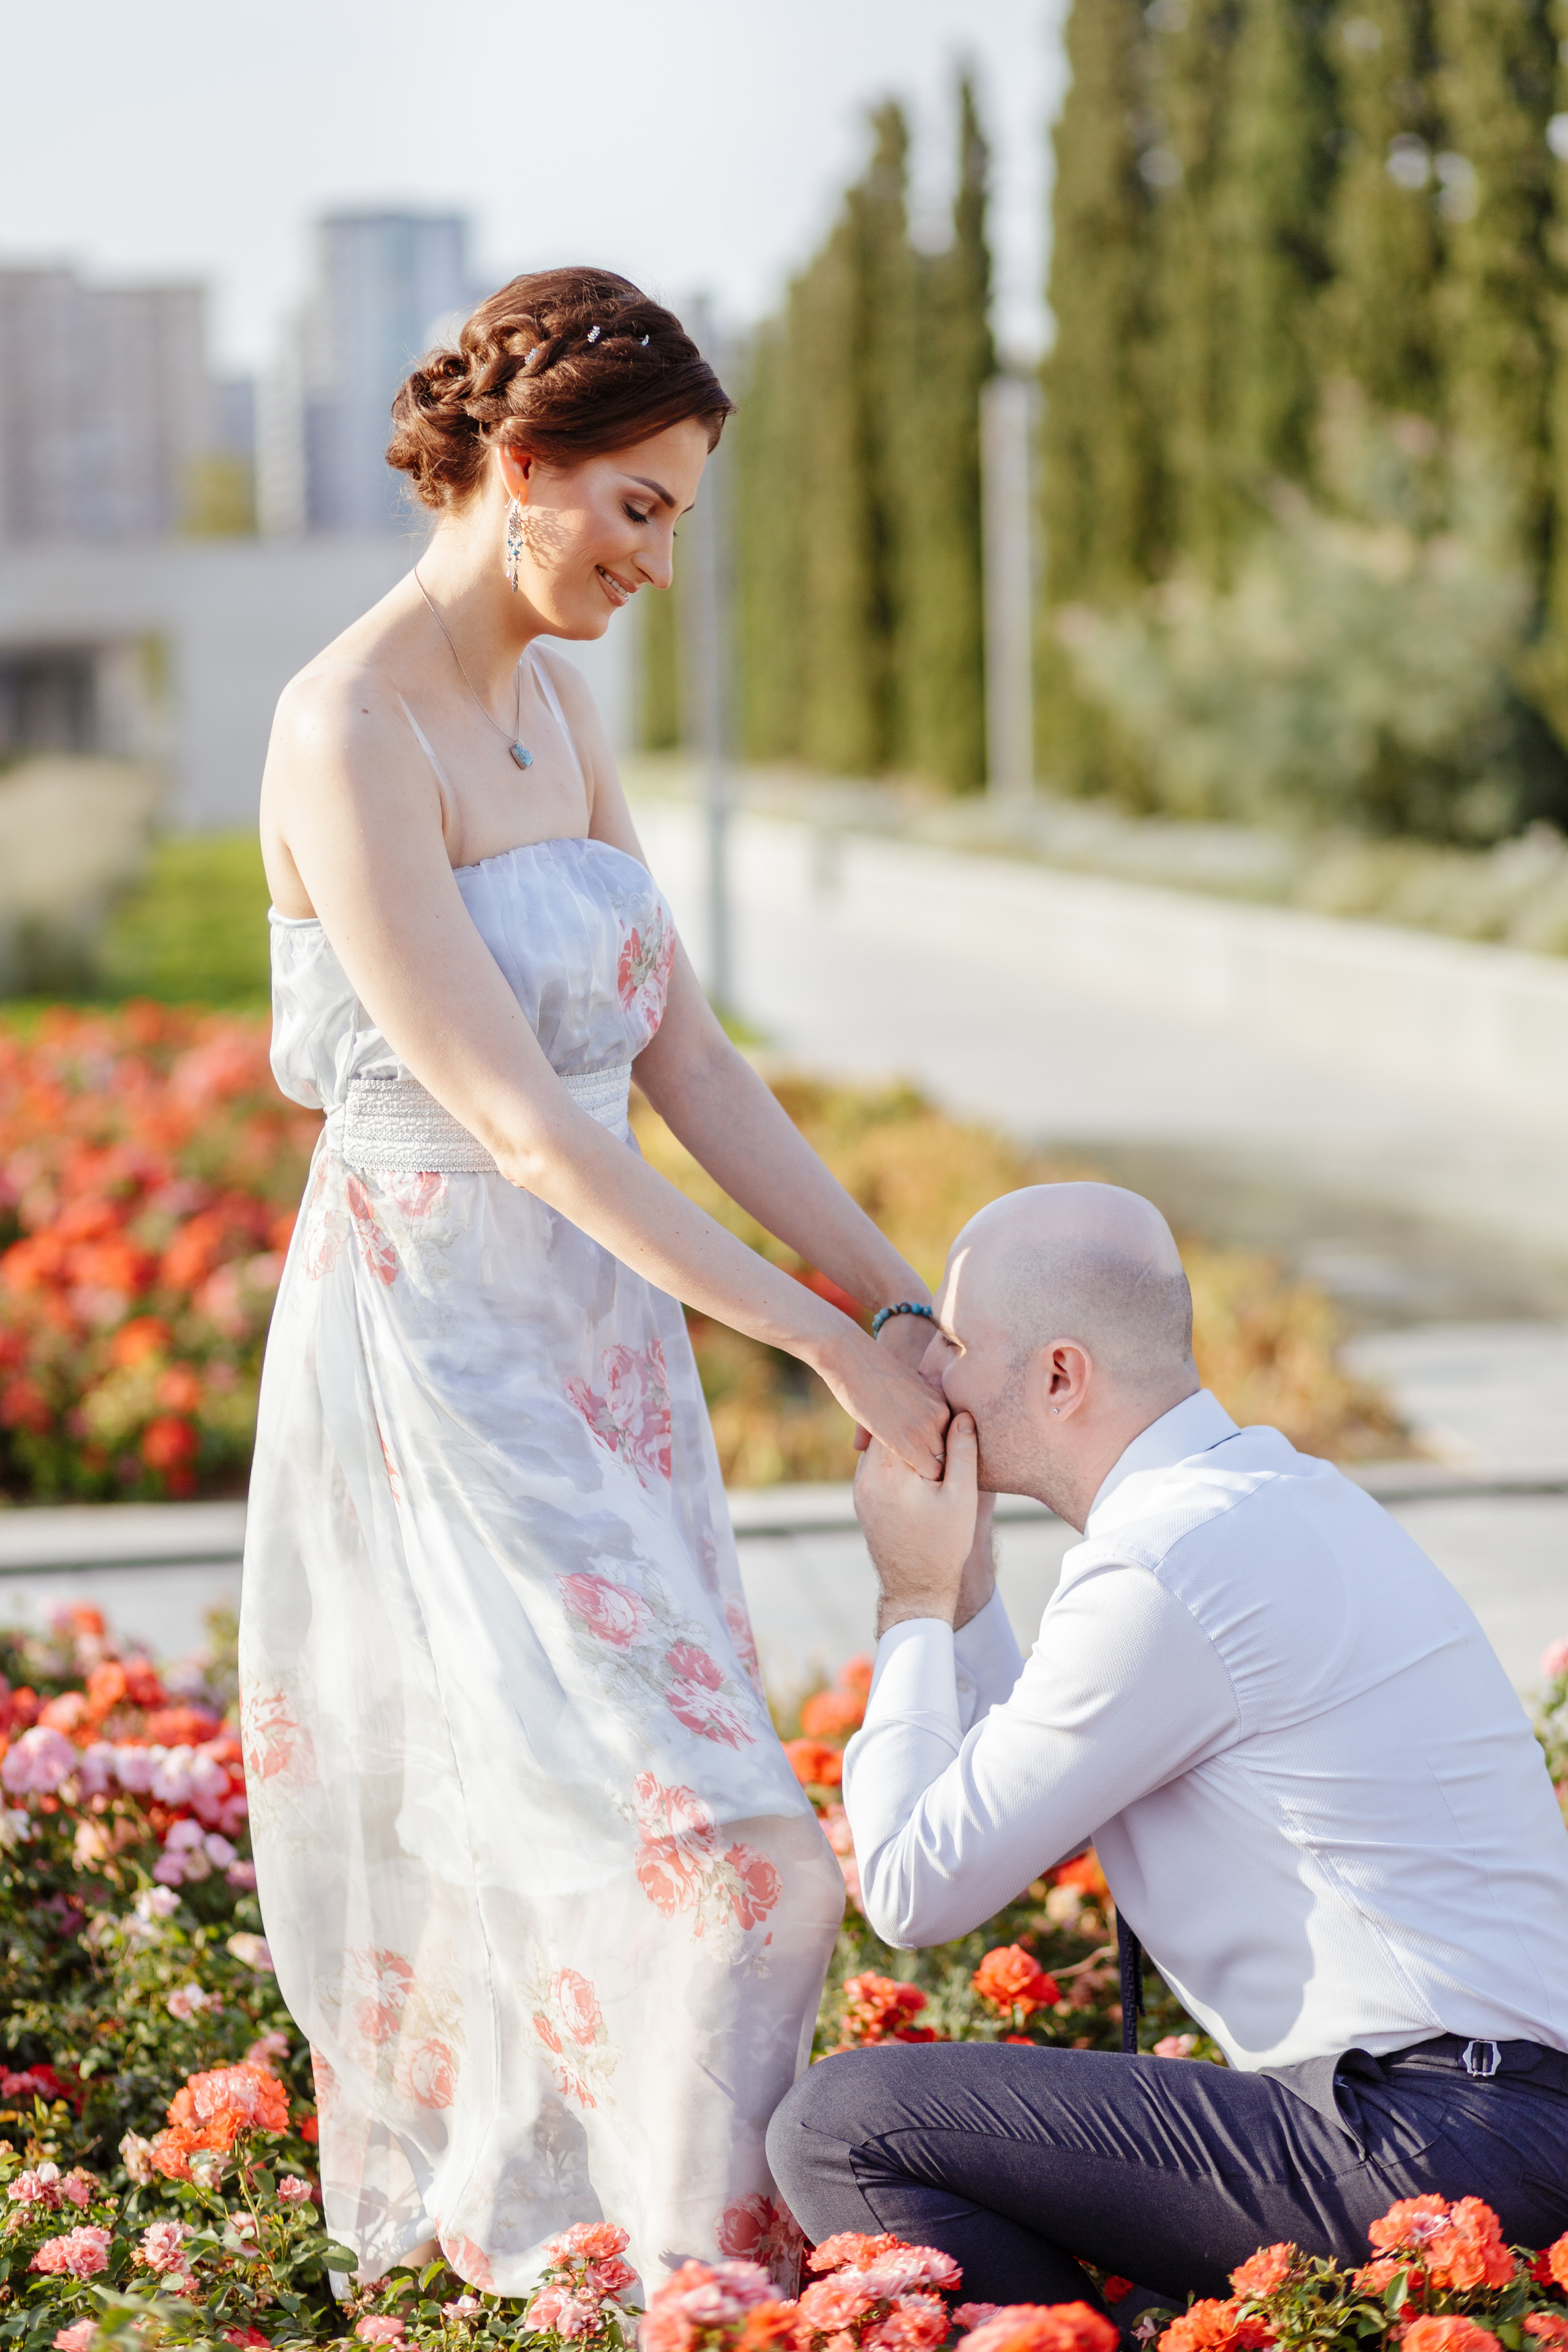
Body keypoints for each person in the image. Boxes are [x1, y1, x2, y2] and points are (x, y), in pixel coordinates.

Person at [241, 266, 949, 2297]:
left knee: (696, 1858)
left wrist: (902, 1305)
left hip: (605, 1348)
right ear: (520, 462)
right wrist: (824, 1350)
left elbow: (686, 1064)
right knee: (724, 1855)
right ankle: (672, 2284)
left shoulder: (557, 707)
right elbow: (525, 1127)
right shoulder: (347, 723)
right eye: (638, 506)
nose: (657, 560)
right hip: (444, 1348)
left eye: (679, 518)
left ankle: (670, 2269)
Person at [767, 1181, 1568, 2313]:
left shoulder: (1166, 1566)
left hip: (1433, 2135)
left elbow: (911, 1888)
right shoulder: (1263, 1499)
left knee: (843, 2126)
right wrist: (965, 1583)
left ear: (1059, 1374)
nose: (931, 1375)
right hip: (1485, 2113)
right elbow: (1019, 1807)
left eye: (953, 1343)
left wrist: (911, 1597)